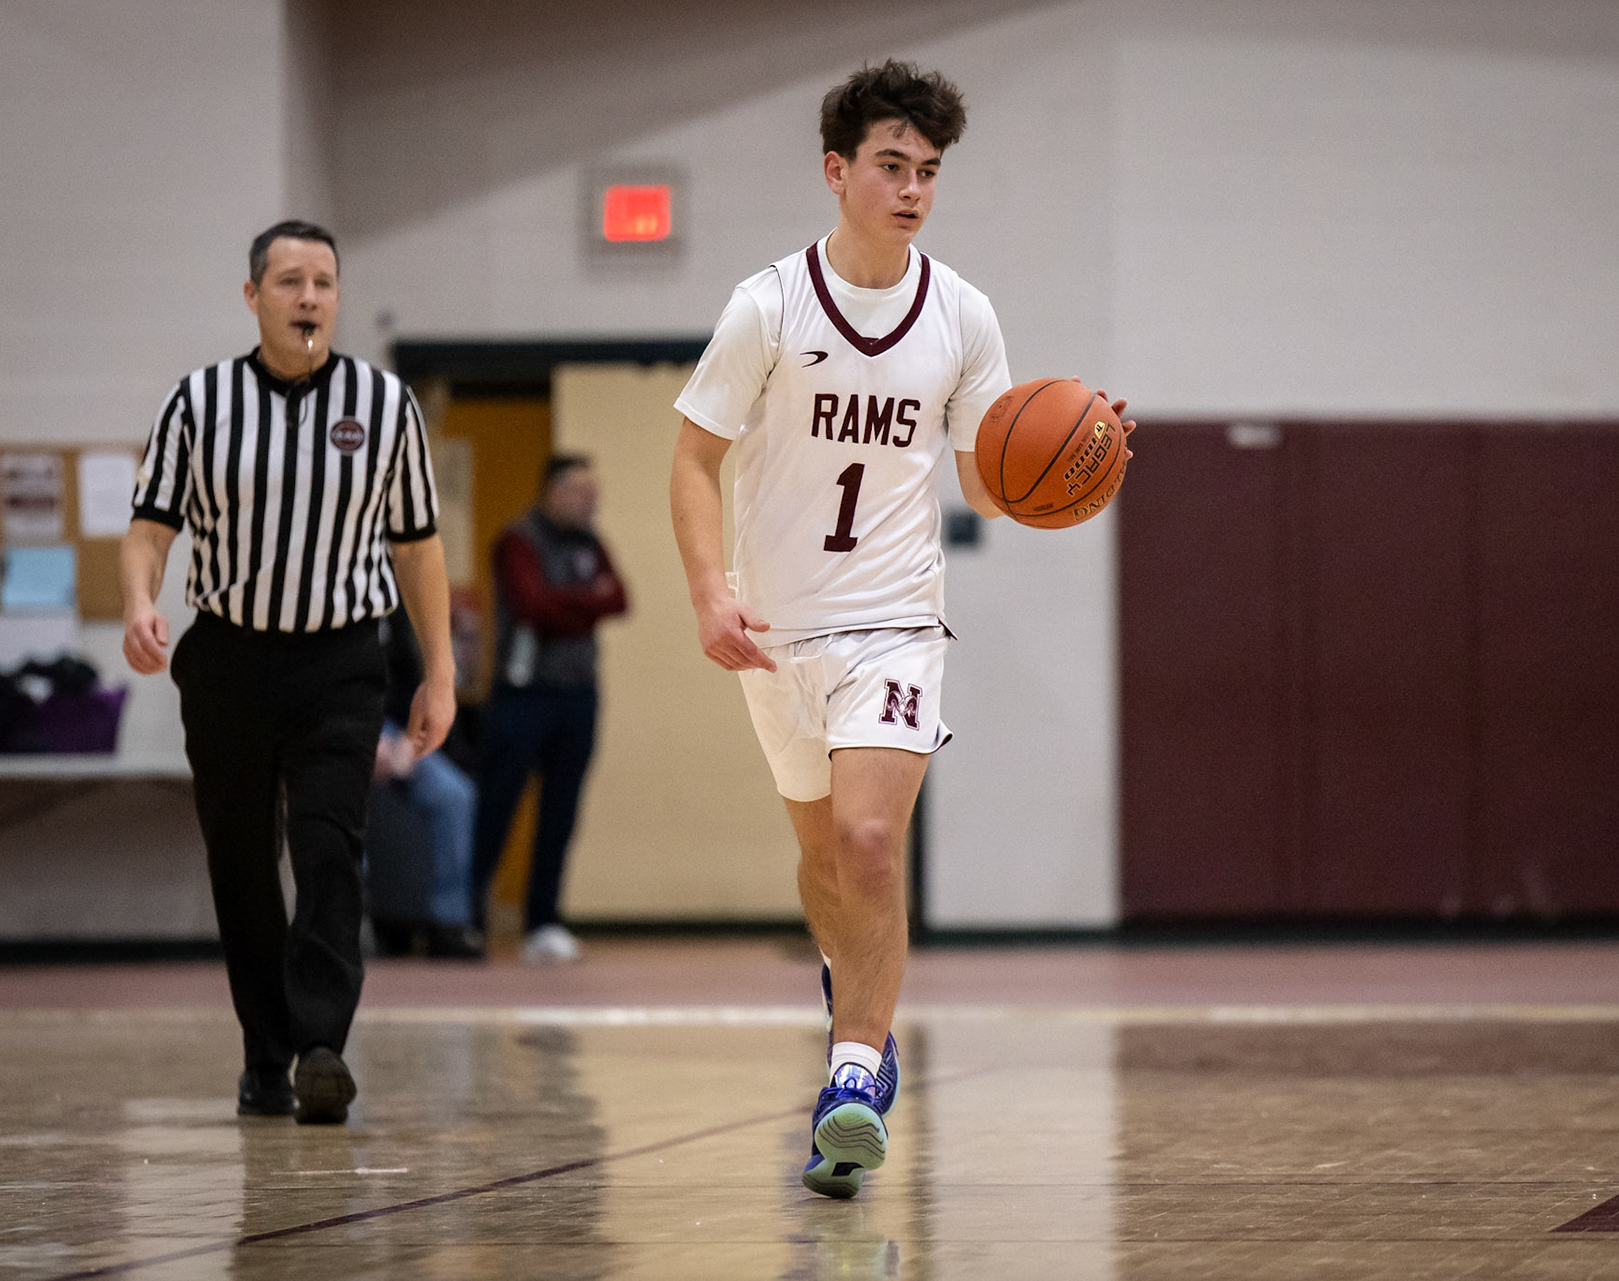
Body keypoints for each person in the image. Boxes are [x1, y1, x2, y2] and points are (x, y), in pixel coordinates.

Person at [671, 59, 1133, 1198]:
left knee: (872, 843)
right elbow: (693, 459)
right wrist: (709, 593)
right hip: (776, 628)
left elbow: (985, 485)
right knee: (824, 859)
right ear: (837, 171)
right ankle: (855, 1000)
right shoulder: (769, 306)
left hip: (894, 623)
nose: (913, 188)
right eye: (892, 166)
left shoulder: (963, 314)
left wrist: (1080, 453)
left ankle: (853, 1073)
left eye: (928, 171)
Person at [120, 219, 455, 1124]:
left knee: (329, 848)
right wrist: (139, 601)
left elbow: (418, 548)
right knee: (240, 859)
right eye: (290, 282)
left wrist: (439, 673)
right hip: (227, 658)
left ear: (338, 297)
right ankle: (264, 1056)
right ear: (253, 296)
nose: (310, 298)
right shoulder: (197, 402)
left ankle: (320, 1047)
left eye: (324, 283)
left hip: (341, 660)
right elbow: (149, 528)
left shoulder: (385, 405)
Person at [470, 455, 628, 965]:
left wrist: (567, 603)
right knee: (497, 806)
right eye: (580, 490)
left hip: (579, 696)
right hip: (523, 695)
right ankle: (467, 916)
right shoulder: (518, 540)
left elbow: (619, 598)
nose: (590, 501)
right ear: (551, 491)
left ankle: (543, 921)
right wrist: (585, 601)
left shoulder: (591, 542)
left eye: (593, 491)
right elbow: (530, 604)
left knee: (561, 812)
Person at [367, 610, 482, 960]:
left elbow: (409, 680)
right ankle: (352, 919)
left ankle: (449, 922)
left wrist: (407, 740)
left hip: (395, 729)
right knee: (340, 794)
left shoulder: (395, 608)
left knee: (456, 794)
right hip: (341, 725)